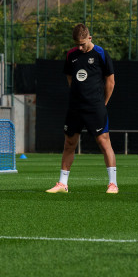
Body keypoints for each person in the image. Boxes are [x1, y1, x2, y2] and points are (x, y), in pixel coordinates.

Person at [45, 23, 117, 194]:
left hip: (95, 107)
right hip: (75, 107)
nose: (80, 46)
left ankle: (113, 184)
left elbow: (110, 82)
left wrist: (103, 102)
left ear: (90, 38)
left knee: (103, 141)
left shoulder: (101, 54)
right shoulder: (71, 55)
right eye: (77, 43)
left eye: (83, 43)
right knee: (69, 143)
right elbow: (70, 78)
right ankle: (63, 184)